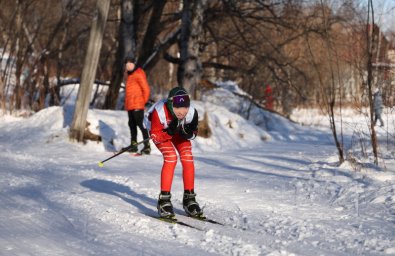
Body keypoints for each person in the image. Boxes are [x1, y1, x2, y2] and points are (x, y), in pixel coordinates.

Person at [144, 86, 202, 219]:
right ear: (171, 105)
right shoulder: (160, 112)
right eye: (178, 107)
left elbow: (194, 133)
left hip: (177, 134)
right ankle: (164, 200)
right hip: (160, 132)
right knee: (171, 157)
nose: (182, 111)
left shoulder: (192, 113)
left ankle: (189, 198)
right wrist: (169, 132)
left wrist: (187, 134)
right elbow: (155, 136)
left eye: (185, 107)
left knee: (187, 156)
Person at [123, 56, 151, 154]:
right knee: (132, 125)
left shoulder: (138, 73)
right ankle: (133, 145)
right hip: (130, 105)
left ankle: (147, 146)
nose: (129, 66)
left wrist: (142, 101)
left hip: (138, 105)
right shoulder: (129, 75)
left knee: (141, 125)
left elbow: (146, 89)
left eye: (131, 64)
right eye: (127, 64)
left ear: (134, 64)